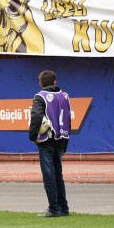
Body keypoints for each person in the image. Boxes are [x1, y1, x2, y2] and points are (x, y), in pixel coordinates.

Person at [29, 69, 71, 218]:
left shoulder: (40, 97)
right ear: (55, 81)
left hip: (46, 140)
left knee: (49, 175)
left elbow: (36, 116)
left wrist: (33, 136)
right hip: (61, 140)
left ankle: (54, 209)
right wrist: (65, 143)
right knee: (58, 174)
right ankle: (63, 208)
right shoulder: (65, 96)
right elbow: (67, 119)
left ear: (41, 83)